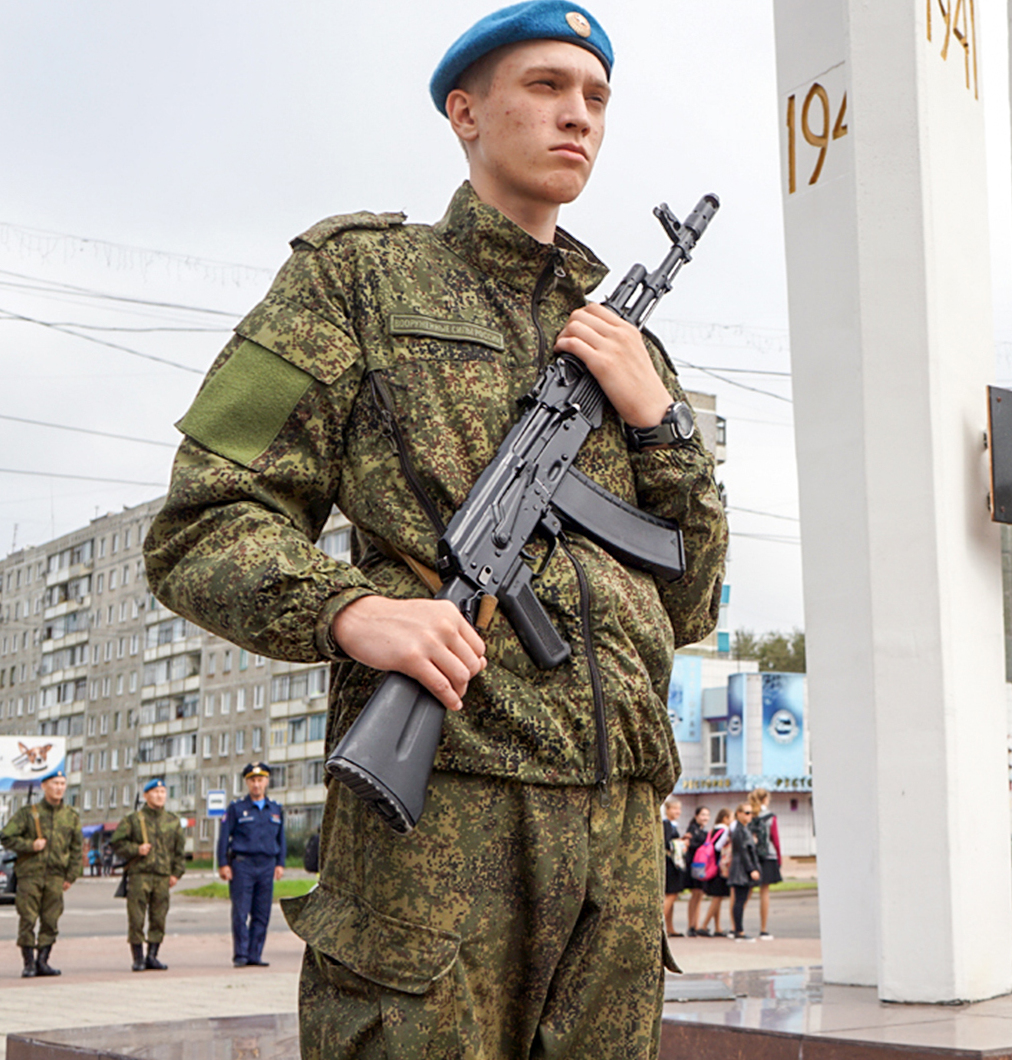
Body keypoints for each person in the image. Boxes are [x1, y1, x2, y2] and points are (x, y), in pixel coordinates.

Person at [141, 2, 728, 1055]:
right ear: (464, 110)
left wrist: (662, 421)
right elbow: (202, 522)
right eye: (545, 86)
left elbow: (686, 600)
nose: (578, 116)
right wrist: (352, 610)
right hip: (441, 815)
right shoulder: (355, 277)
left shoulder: (623, 340)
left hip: (620, 840)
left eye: (595, 96)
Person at [0, 770, 81, 978]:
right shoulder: (29, 813)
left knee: (51, 920)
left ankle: (43, 961)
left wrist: (70, 876)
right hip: (30, 875)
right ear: (44, 786)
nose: (59, 787)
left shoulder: (71, 816)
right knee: (27, 919)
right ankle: (28, 963)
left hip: (55, 877)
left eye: (63, 784)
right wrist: (30, 845)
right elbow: (6, 837)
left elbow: (76, 849)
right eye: (55, 783)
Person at [110, 778, 186, 972]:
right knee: (136, 918)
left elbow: (179, 851)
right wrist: (136, 849)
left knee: (158, 917)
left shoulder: (172, 821)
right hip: (139, 875)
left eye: (162, 792)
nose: (159, 796)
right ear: (146, 795)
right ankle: (138, 958)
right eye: (155, 792)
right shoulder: (133, 820)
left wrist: (176, 874)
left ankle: (153, 956)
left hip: (162, 877)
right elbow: (117, 843)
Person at [218, 763, 286, 968]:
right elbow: (223, 838)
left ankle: (255, 954)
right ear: (247, 783)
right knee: (241, 911)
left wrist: (280, 864)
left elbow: (281, 839)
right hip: (242, 865)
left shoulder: (275, 809)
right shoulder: (237, 808)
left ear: (266, 782)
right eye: (252, 781)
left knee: (262, 912)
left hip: (266, 865)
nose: (256, 785)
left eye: (260, 780)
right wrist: (223, 864)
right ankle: (241, 955)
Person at [724, 803, 763, 942]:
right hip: (740, 869)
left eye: (751, 813)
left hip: (741, 868)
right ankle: (738, 931)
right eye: (747, 813)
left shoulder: (744, 829)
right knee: (739, 900)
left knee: (740, 900)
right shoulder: (739, 830)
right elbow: (744, 852)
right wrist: (751, 869)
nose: (749, 816)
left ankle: (738, 929)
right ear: (738, 813)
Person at [749, 787, 782, 939]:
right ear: (765, 799)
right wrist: (779, 858)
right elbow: (774, 838)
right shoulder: (770, 817)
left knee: (745, 892)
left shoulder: (749, 814)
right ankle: (763, 929)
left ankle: (736, 928)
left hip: (750, 856)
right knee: (764, 892)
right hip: (768, 856)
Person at [697, 809, 734, 936]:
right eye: (731, 817)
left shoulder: (712, 830)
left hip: (709, 866)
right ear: (725, 818)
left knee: (717, 897)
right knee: (717, 897)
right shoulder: (724, 830)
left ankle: (717, 927)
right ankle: (704, 925)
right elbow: (718, 846)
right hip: (718, 867)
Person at [662, 798, 689, 937]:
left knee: (672, 895)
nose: (677, 811)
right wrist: (681, 843)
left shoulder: (673, 825)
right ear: (667, 810)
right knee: (670, 895)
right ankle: (659, 925)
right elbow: (666, 843)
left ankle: (669, 927)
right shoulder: (666, 824)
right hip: (669, 864)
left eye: (679, 809)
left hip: (673, 863)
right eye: (674, 808)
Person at [682, 806, 711, 936]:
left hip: (701, 866)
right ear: (696, 816)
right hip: (694, 866)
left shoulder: (704, 831)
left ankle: (696, 924)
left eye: (707, 815)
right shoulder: (692, 830)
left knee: (699, 895)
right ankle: (691, 925)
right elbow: (690, 845)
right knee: (695, 895)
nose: (705, 818)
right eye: (702, 815)